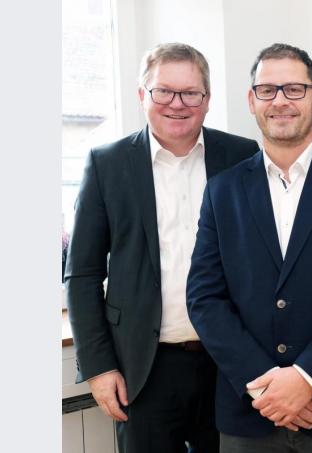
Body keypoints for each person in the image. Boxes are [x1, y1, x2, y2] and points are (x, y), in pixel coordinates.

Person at [186, 43, 312, 453]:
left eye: (294, 89)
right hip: (250, 415)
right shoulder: (222, 190)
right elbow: (205, 298)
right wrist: (267, 386)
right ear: (252, 100)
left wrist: (306, 378)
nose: (280, 101)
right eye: (267, 90)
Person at [65, 42, 259, 453]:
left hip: (227, 364)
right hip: (143, 368)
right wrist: (99, 368)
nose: (177, 103)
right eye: (163, 91)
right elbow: (81, 275)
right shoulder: (107, 164)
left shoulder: (241, 157)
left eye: (191, 93)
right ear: (142, 95)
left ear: (207, 100)